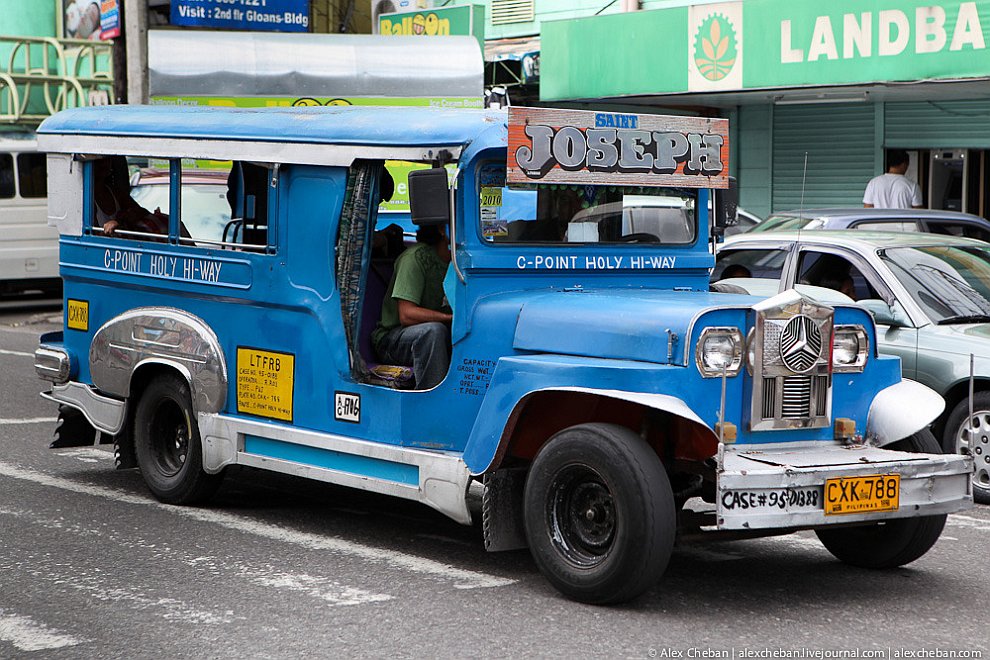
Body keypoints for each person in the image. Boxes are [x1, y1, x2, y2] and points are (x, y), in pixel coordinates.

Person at [371, 224, 452, 390]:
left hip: (435, 336)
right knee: (433, 332)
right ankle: (429, 402)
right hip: (392, 339)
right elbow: (406, 314)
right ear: (443, 230)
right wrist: (449, 319)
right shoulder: (415, 258)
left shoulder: (460, 262)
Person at [93, 157, 168, 237]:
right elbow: (93, 237)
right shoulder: (87, 200)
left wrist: (119, 222)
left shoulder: (115, 192)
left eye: (107, 160)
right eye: (99, 161)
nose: (104, 164)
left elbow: (140, 211)